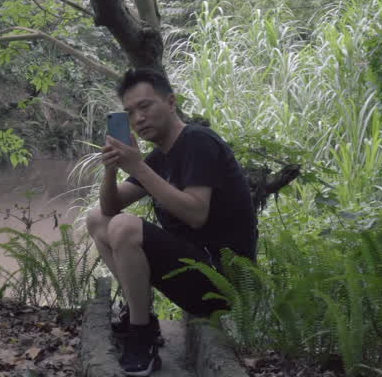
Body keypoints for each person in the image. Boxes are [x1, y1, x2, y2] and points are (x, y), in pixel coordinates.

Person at [85, 68, 258, 377]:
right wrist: (112, 167)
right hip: (191, 271)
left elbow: (196, 214)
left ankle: (142, 335)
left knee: (124, 227)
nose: (138, 118)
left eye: (145, 106)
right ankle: (141, 315)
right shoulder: (160, 157)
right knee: (98, 218)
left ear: (171, 102)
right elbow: (109, 206)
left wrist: (138, 166)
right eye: (129, 112)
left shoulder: (197, 142)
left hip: (221, 282)